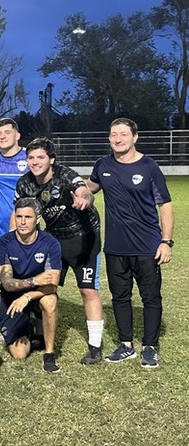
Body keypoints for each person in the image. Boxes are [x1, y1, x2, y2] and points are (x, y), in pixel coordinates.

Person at [87, 118, 173, 368]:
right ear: (109, 138)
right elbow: (90, 188)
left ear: (135, 137)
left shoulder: (149, 166)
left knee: (150, 298)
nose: (118, 139)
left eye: (124, 134)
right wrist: (75, 188)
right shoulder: (102, 165)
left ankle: (150, 347)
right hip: (115, 247)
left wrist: (166, 242)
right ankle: (126, 345)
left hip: (147, 246)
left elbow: (165, 204)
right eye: (114, 134)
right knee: (120, 297)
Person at [14, 137, 105, 364]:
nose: (35, 162)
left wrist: (85, 200)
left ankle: (95, 347)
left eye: (41, 157)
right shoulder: (24, 183)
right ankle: (39, 335)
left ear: (52, 160)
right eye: (31, 158)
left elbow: (85, 191)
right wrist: (13, 238)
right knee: (45, 286)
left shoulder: (65, 175)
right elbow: (19, 212)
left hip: (84, 237)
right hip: (54, 239)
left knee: (87, 290)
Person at [0, 198, 62, 372]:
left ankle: (49, 354)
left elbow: (52, 284)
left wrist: (28, 295)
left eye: (28, 217)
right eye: (19, 217)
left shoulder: (50, 243)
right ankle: (30, 327)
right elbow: (7, 284)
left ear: (38, 219)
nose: (23, 222)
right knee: (20, 354)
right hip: (13, 296)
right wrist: (34, 281)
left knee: (50, 301)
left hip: (39, 293)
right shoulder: (3, 244)